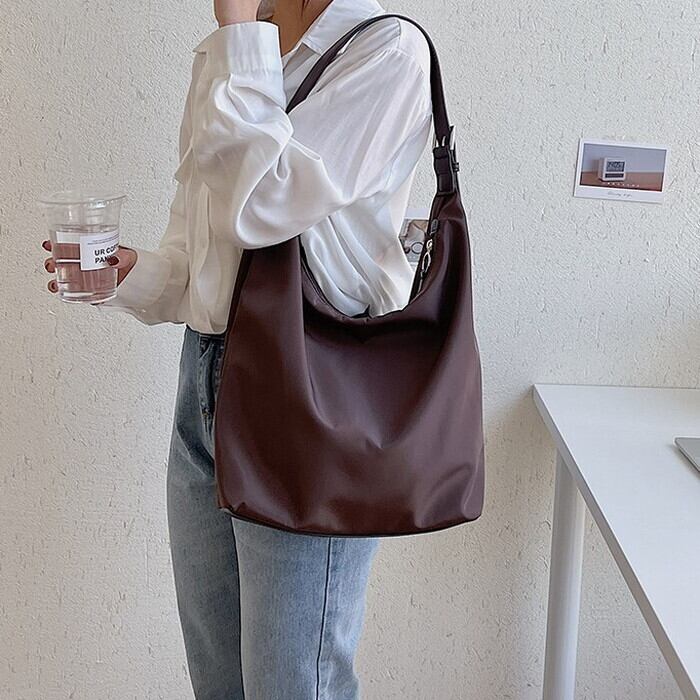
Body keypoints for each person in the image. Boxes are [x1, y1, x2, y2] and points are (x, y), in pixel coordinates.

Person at [42, 0, 433, 696]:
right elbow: (204, 257)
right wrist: (129, 275)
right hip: (205, 386)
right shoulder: (230, 51)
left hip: (312, 396)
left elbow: (263, 207)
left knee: (293, 684)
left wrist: (240, 34)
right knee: (218, 681)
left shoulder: (386, 51)